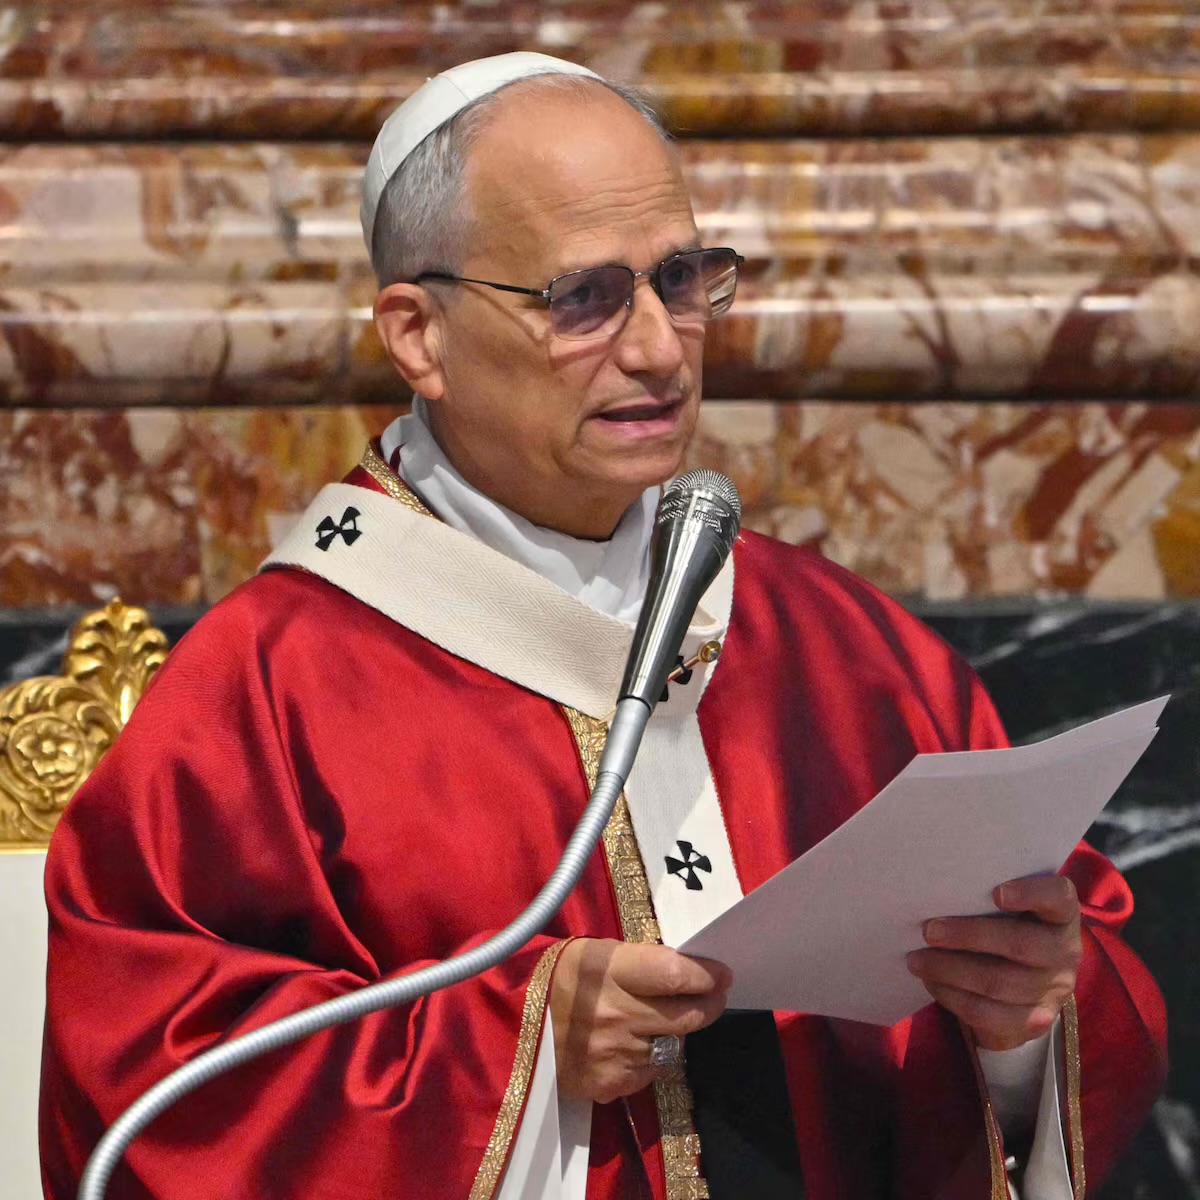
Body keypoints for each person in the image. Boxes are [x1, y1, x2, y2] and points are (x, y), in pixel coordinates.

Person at [40, 53, 1165, 1200]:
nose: (660, 349)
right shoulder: (269, 687)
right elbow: (148, 1081)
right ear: (418, 335)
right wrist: (517, 1047)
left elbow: (1073, 964)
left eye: (680, 278)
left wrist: (1023, 1024)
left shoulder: (844, 649)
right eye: (583, 297)